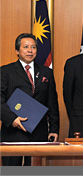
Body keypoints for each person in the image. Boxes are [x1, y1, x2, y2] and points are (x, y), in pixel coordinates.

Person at [1, 33, 59, 166]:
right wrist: (12, 119)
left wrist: (54, 129)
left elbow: (52, 102)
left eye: (33, 47)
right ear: (17, 50)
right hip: (12, 133)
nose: (30, 50)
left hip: (39, 133)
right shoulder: (5, 71)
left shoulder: (46, 72)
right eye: (26, 47)